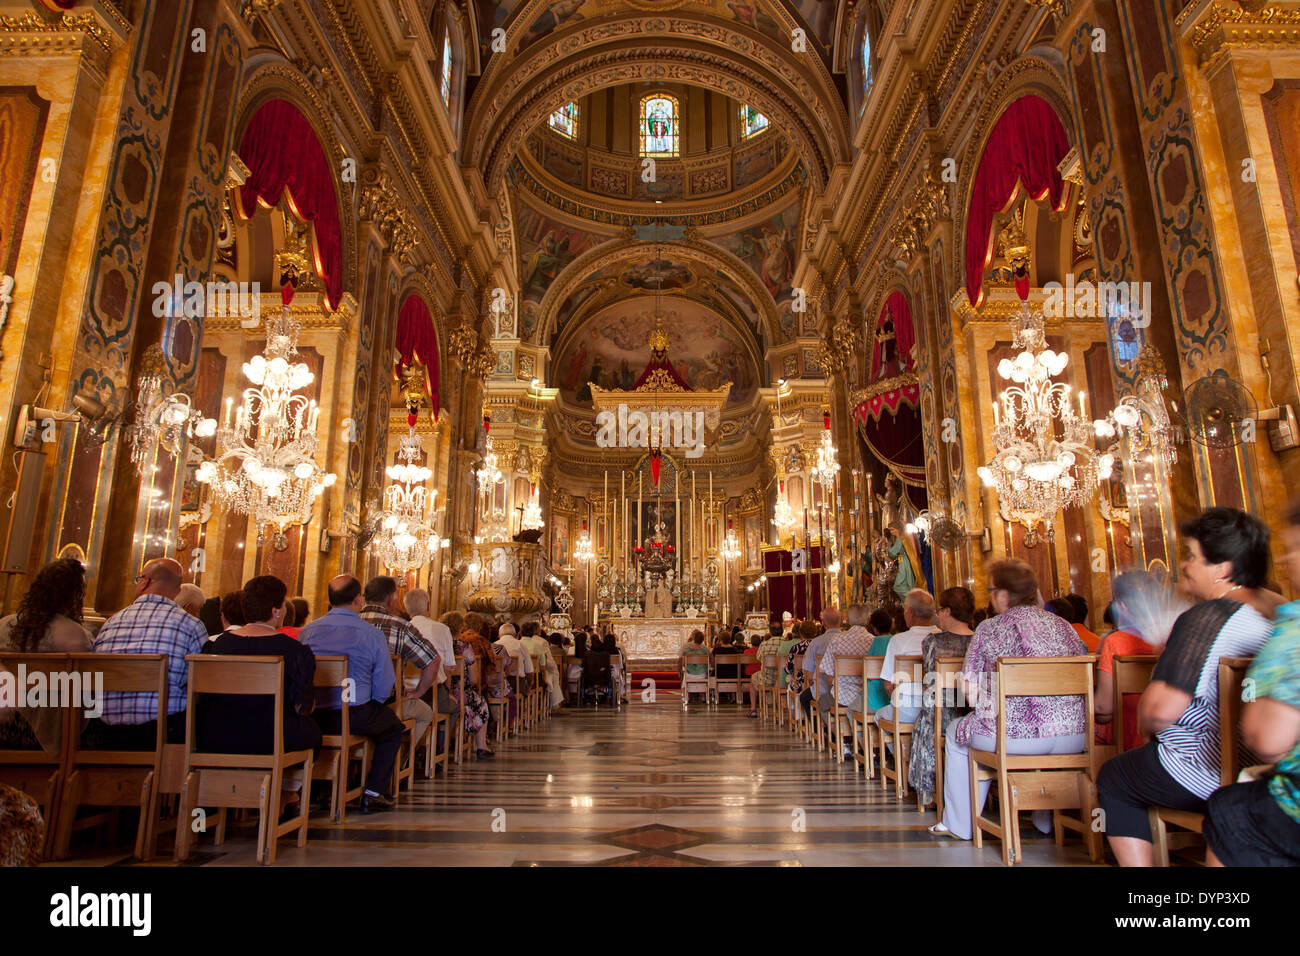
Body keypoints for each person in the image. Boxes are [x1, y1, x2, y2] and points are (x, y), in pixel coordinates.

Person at [1097, 507, 1275, 866]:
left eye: (1192, 556)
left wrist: (1145, 726)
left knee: (1114, 776)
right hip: (1257, 768)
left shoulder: (1207, 617)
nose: (1185, 565)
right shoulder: (1274, 616)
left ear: (1222, 568)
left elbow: (1160, 711)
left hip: (1201, 769)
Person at [931, 559, 1088, 840]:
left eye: (992, 591)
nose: (991, 598)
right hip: (1073, 735)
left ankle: (960, 824)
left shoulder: (990, 628)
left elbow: (970, 690)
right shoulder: (1065, 627)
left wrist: (985, 705)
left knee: (956, 734)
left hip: (1011, 736)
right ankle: (1044, 819)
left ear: (1003, 594)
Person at [1204, 500, 1300, 866]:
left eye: (1293, 549)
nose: (1288, 560)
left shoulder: (1292, 629)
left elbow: (1268, 739)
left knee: (1230, 809)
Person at [300, 575, 403, 812]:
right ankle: (374, 791)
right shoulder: (370, 634)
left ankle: (315, 790)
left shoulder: (308, 632)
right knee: (393, 729)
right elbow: (385, 682)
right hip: (356, 712)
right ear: (358, 600)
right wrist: (374, 704)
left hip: (314, 715)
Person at [91, 558, 210, 747]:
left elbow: (93, 674)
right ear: (178, 591)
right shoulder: (191, 625)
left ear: (144, 581)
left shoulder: (111, 622)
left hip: (107, 731)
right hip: (165, 732)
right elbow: (203, 680)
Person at [198, 575, 321, 756]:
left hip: (217, 736)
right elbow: (302, 706)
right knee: (312, 731)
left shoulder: (217, 645)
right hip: (272, 738)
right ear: (276, 611)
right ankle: (288, 783)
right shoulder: (295, 651)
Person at [0, 558, 93, 751]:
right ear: (74, 595)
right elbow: (87, 687)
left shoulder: (5, 625)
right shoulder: (73, 633)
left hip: (6, 724)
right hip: (52, 732)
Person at [908, 586, 976, 806]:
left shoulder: (933, 642)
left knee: (925, 720)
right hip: (973, 712)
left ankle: (928, 790)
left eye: (940, 611)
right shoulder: (979, 641)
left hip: (943, 713)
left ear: (947, 611)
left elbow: (930, 679)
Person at [360, 576, 438, 755]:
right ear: (391, 599)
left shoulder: (351, 623)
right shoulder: (400, 626)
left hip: (346, 700)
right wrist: (419, 691)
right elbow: (433, 661)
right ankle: (397, 763)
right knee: (426, 713)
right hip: (386, 704)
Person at [1094, 570, 1169, 749]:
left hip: (1130, 738)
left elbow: (1104, 708)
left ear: (1122, 607)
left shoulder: (1115, 641)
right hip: (1170, 738)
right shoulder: (1173, 634)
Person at [875, 589, 941, 740]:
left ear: (910, 613)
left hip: (906, 709)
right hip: (938, 707)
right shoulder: (942, 637)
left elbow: (887, 684)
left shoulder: (898, 641)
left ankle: (902, 755)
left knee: (879, 716)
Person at [404, 589, 461, 746]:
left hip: (405, 693)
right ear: (428, 607)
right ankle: (438, 750)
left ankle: (413, 751)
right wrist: (448, 692)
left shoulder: (403, 629)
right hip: (433, 693)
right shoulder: (441, 629)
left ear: (406, 609)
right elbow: (450, 667)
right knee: (455, 708)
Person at [816, 605, 874, 751]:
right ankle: (866, 744)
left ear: (847, 620)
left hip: (842, 696)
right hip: (867, 696)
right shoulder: (873, 641)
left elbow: (829, 675)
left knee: (822, 703)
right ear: (868, 620)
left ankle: (844, 741)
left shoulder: (837, 640)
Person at [451, 612, 492, 758]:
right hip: (462, 692)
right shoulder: (466, 646)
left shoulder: (443, 643)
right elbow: (475, 679)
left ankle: (455, 737)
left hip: (442, 691)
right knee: (480, 702)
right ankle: (481, 744)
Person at [800, 607, 844, 720]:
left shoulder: (816, 643)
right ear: (841, 620)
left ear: (823, 623)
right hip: (848, 690)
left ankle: (819, 729)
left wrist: (814, 684)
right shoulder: (847, 641)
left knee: (804, 697)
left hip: (822, 690)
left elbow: (809, 676)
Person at [520, 620, 563, 711]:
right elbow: (547, 665)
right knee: (552, 676)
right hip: (534, 677)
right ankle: (549, 706)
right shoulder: (541, 643)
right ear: (537, 631)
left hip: (519, 677)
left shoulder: (518, 644)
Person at [748, 624, 784, 717]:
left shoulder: (764, 644)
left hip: (767, 679)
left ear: (770, 632)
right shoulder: (786, 643)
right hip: (783, 679)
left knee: (752, 680)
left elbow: (759, 658)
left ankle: (753, 710)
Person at [682, 630, 710, 703]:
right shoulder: (705, 650)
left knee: (685, 672)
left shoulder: (687, 650)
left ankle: (686, 696)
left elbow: (683, 663)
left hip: (689, 675)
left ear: (693, 638)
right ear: (702, 640)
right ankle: (704, 695)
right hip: (702, 675)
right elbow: (711, 662)